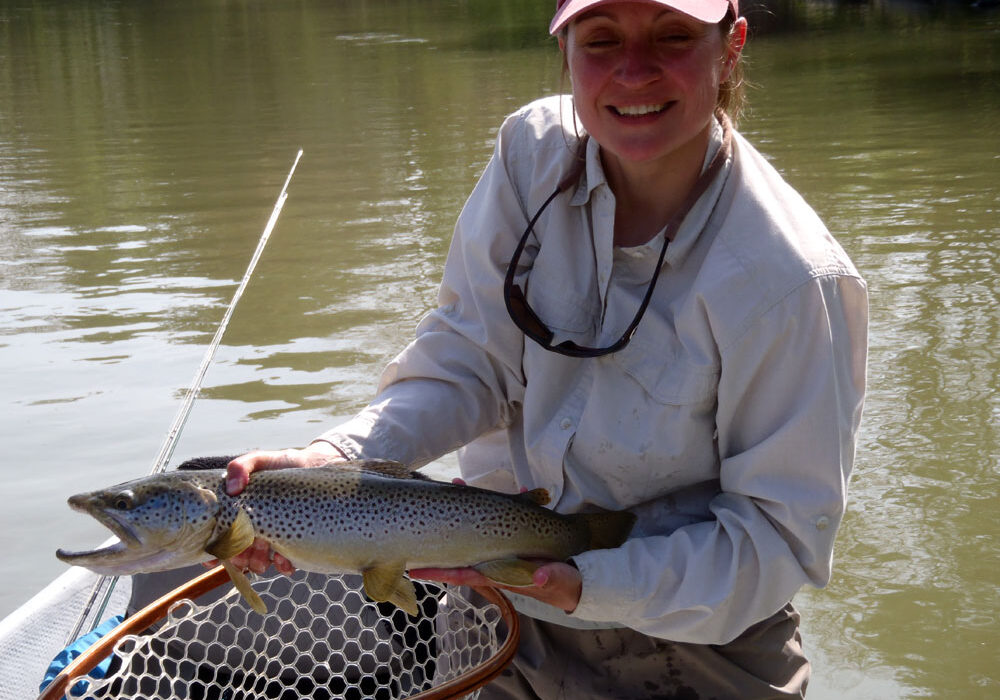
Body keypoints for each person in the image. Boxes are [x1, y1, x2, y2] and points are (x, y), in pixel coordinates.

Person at [225, 0, 868, 696]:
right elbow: (469, 358)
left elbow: (777, 540)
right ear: (564, 49)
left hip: (697, 641)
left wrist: (584, 582)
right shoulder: (529, 154)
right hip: (493, 598)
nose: (634, 71)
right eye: (602, 39)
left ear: (732, 45)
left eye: (673, 35)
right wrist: (336, 458)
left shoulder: (792, 280)